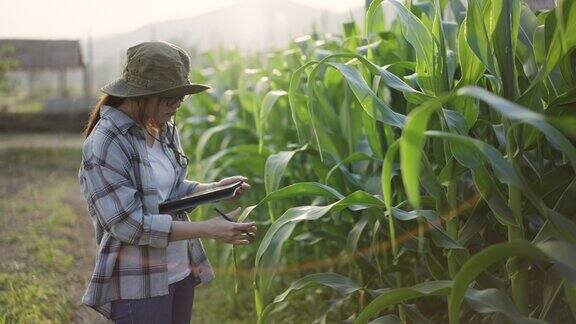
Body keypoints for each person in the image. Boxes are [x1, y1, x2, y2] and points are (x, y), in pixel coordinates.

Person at [77, 41, 257, 324]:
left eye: (181, 97)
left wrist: (215, 190)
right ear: (141, 94)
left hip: (180, 271)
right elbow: (128, 224)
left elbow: (170, 191)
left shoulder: (163, 129)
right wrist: (208, 230)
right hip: (139, 284)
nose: (177, 105)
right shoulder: (105, 143)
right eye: (170, 97)